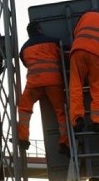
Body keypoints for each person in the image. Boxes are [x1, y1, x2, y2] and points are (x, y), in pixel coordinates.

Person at [16, 21, 69, 155]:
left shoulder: (24, 49)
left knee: (24, 109)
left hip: (34, 84)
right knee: (60, 112)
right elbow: (65, 54)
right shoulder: (54, 42)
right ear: (40, 29)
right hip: (53, 82)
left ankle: (23, 139)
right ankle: (65, 142)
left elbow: (26, 64)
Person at [68, 11, 99, 133]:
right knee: (98, 89)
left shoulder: (86, 15)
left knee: (76, 86)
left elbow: (75, 33)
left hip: (79, 49)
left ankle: (77, 119)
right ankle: (97, 122)